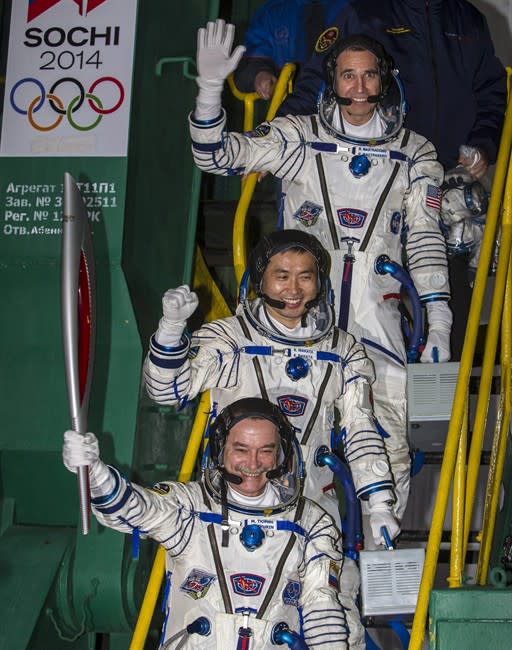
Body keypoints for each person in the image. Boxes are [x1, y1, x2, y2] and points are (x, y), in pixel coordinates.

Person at [188, 19, 452, 525]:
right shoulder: (299, 138)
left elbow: (423, 239)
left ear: (386, 79)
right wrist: (208, 91)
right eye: (347, 76)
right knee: (281, 454)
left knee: (388, 445)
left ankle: (377, 586)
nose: (358, 88)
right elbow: (217, 156)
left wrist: (438, 318)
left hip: (379, 325)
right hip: (298, 321)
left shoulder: (416, 153)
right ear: (332, 79)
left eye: (369, 76)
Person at [144, 229, 400, 649]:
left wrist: (380, 503)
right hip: (229, 514)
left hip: (311, 511)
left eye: (305, 276)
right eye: (282, 275)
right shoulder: (230, 338)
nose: (294, 289)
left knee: (338, 622)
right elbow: (167, 390)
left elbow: (361, 428)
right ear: (259, 279)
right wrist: (171, 330)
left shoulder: (344, 351)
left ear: (321, 281)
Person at [63, 397, 349, 649]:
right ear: (220, 451)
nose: (253, 462)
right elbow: (139, 509)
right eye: (241, 449)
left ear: (281, 455)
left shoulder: (310, 522)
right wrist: (96, 475)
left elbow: (322, 609)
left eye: (266, 450)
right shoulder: (192, 508)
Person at [277, 0, 507, 174]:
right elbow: (316, 83)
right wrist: (274, 139)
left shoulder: (469, 19)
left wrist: (482, 146)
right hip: (380, 172)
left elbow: (491, 94)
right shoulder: (364, 14)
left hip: (453, 179)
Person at [233, 0, 349, 99]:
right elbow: (249, 63)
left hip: (345, 107)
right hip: (292, 111)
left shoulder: (354, 8)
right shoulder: (273, 12)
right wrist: (259, 74)